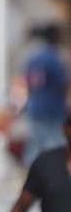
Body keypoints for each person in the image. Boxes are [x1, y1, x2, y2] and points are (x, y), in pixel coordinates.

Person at [23, 24, 68, 166]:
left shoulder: (33, 58)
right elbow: (63, 82)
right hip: (52, 109)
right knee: (54, 144)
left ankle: (31, 173)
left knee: (34, 146)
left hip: (35, 107)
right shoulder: (56, 58)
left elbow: (27, 82)